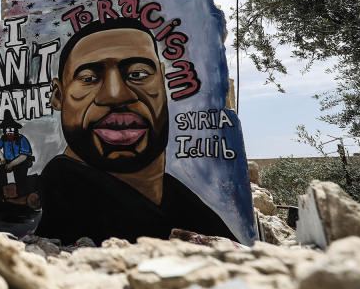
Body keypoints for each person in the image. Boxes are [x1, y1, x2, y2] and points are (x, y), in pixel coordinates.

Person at [35, 17, 235, 243]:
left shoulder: (180, 201)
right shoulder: (66, 193)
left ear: (163, 82)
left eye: (138, 74)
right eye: (89, 78)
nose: (116, 94)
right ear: (58, 96)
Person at [0, 115, 33, 197]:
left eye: (11, 130)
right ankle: (1, 194)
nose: (9, 132)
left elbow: (24, 156)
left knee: (20, 176)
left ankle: (21, 195)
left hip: (20, 162)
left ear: (16, 130)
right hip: (7, 161)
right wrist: (2, 158)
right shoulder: (3, 139)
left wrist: (11, 164)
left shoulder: (21, 139)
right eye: (7, 130)